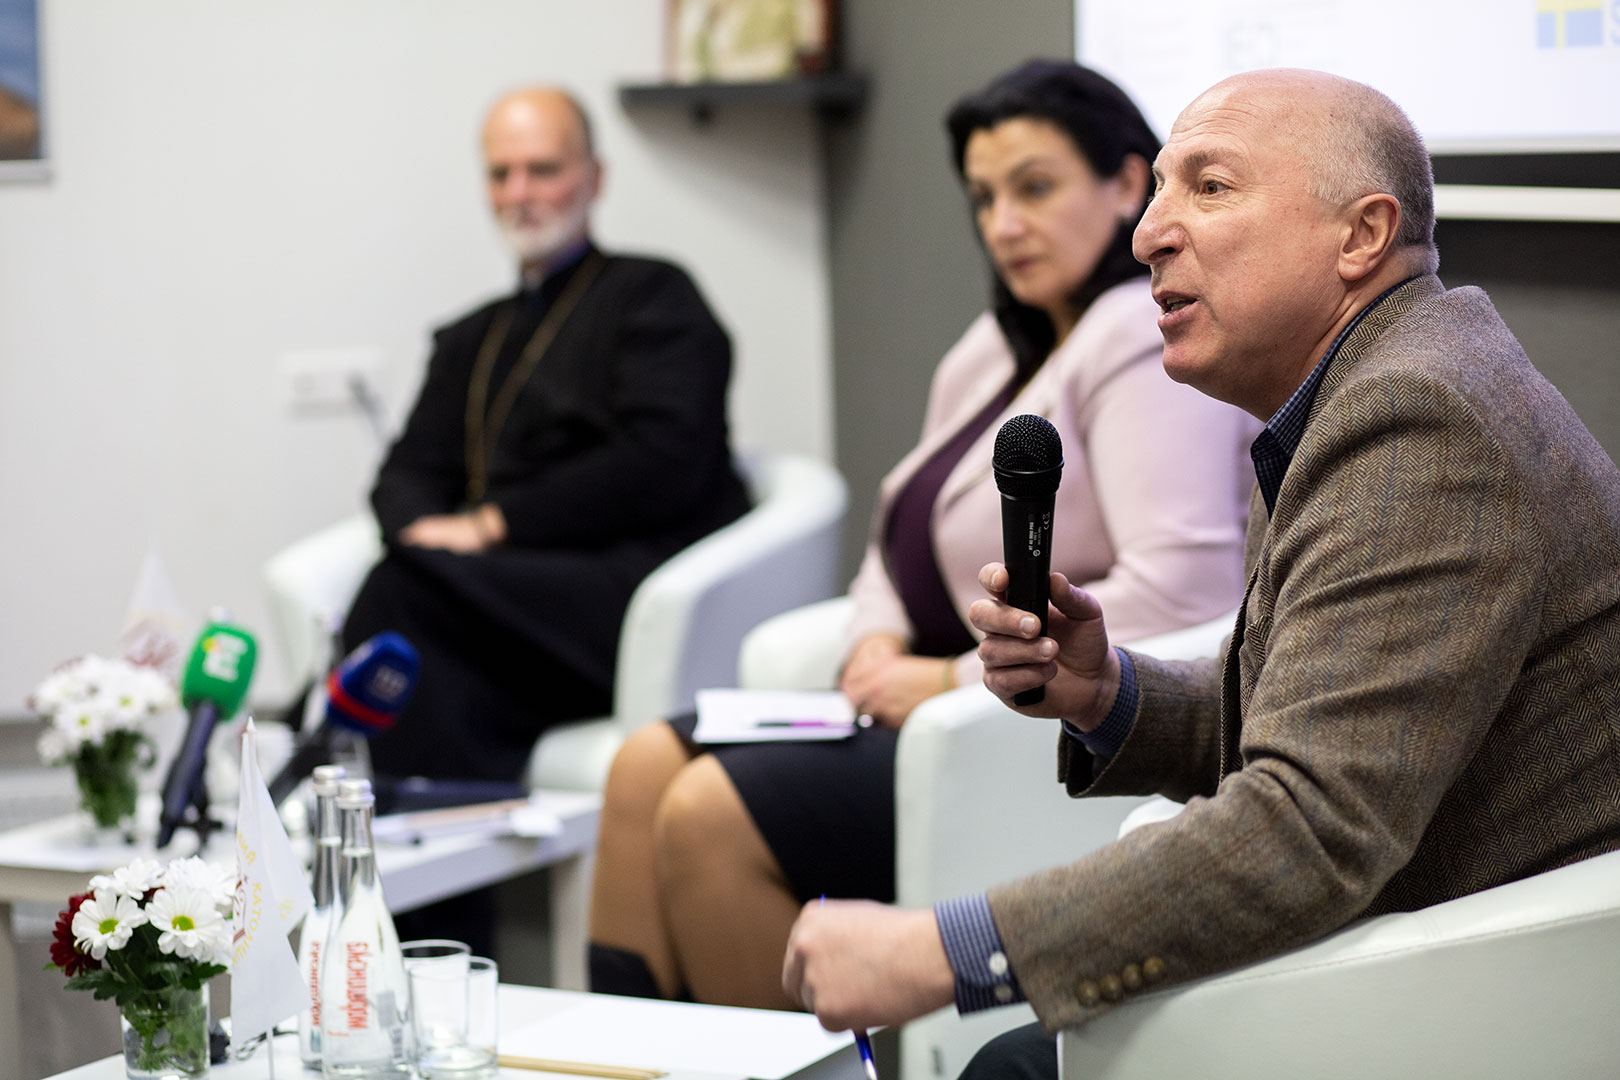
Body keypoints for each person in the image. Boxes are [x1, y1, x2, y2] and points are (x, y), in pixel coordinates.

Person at [779, 68, 1620, 1079]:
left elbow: (1307, 828)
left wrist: (943, 952)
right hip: (1408, 948)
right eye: (1159, 190)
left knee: (1009, 1063)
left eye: (1210, 188)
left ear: (1361, 235)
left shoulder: (1416, 423)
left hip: (1473, 999)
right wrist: (1108, 692)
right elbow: (1307, 718)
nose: (1147, 235)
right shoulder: (1355, 390)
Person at [587, 61, 1260, 1009]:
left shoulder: (1138, 338)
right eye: (984, 198)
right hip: (911, 702)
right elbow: (892, 535)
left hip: (1009, 728)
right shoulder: (998, 344)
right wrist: (874, 638)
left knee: (706, 810)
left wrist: (943, 679)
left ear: (1125, 183)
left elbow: (1184, 593)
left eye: (1034, 188)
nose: (1003, 223)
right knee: (640, 768)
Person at [341, 87, 750, 786]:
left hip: (620, 596)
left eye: (543, 170)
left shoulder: (655, 297)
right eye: (501, 174)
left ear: (595, 177)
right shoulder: (470, 338)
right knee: (416, 617)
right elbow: (405, 474)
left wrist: (490, 526)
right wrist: (424, 537)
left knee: (402, 598)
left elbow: (663, 462)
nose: (520, 193)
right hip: (494, 603)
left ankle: (366, 795)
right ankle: (429, 827)